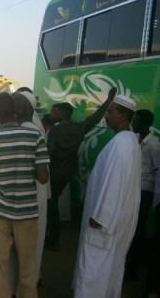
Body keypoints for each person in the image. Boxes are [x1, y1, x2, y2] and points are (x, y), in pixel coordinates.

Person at [0, 93, 49, 298]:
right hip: (27, 213)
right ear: (15, 111)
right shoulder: (35, 137)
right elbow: (43, 177)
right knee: (28, 265)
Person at [73, 95, 141, 298]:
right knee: (109, 269)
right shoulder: (127, 141)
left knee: (93, 270)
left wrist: (100, 217)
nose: (106, 116)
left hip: (104, 224)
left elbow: (114, 184)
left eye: (110, 112)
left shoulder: (122, 144)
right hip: (114, 221)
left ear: (123, 115)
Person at [46, 87, 117, 249]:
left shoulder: (55, 130)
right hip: (68, 172)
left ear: (59, 113)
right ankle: (53, 238)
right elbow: (95, 118)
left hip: (54, 172)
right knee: (54, 203)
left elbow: (50, 152)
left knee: (51, 205)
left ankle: (53, 239)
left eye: (53, 111)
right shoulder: (78, 128)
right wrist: (108, 100)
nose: (51, 113)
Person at [12, 91, 50, 285]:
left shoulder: (31, 127)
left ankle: (29, 280)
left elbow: (41, 172)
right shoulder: (31, 124)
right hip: (32, 190)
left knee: (29, 239)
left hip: (32, 190)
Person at [125, 109, 160, 280]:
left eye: (137, 121)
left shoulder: (154, 145)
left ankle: (132, 270)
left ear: (145, 123)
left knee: (138, 230)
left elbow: (157, 171)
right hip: (134, 189)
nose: (134, 124)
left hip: (145, 192)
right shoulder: (135, 140)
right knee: (130, 227)